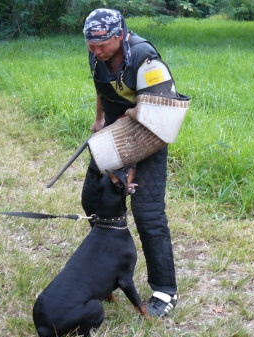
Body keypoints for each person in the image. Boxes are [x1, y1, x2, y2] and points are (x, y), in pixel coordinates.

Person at [82, 9, 182, 317]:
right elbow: (102, 86)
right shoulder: (96, 54)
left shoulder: (144, 58)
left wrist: (133, 116)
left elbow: (164, 108)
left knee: (147, 213)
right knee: (92, 199)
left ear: (121, 35)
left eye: (103, 45)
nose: (97, 51)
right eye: (91, 45)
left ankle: (165, 291)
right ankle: (109, 271)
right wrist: (100, 120)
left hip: (148, 134)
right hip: (113, 134)